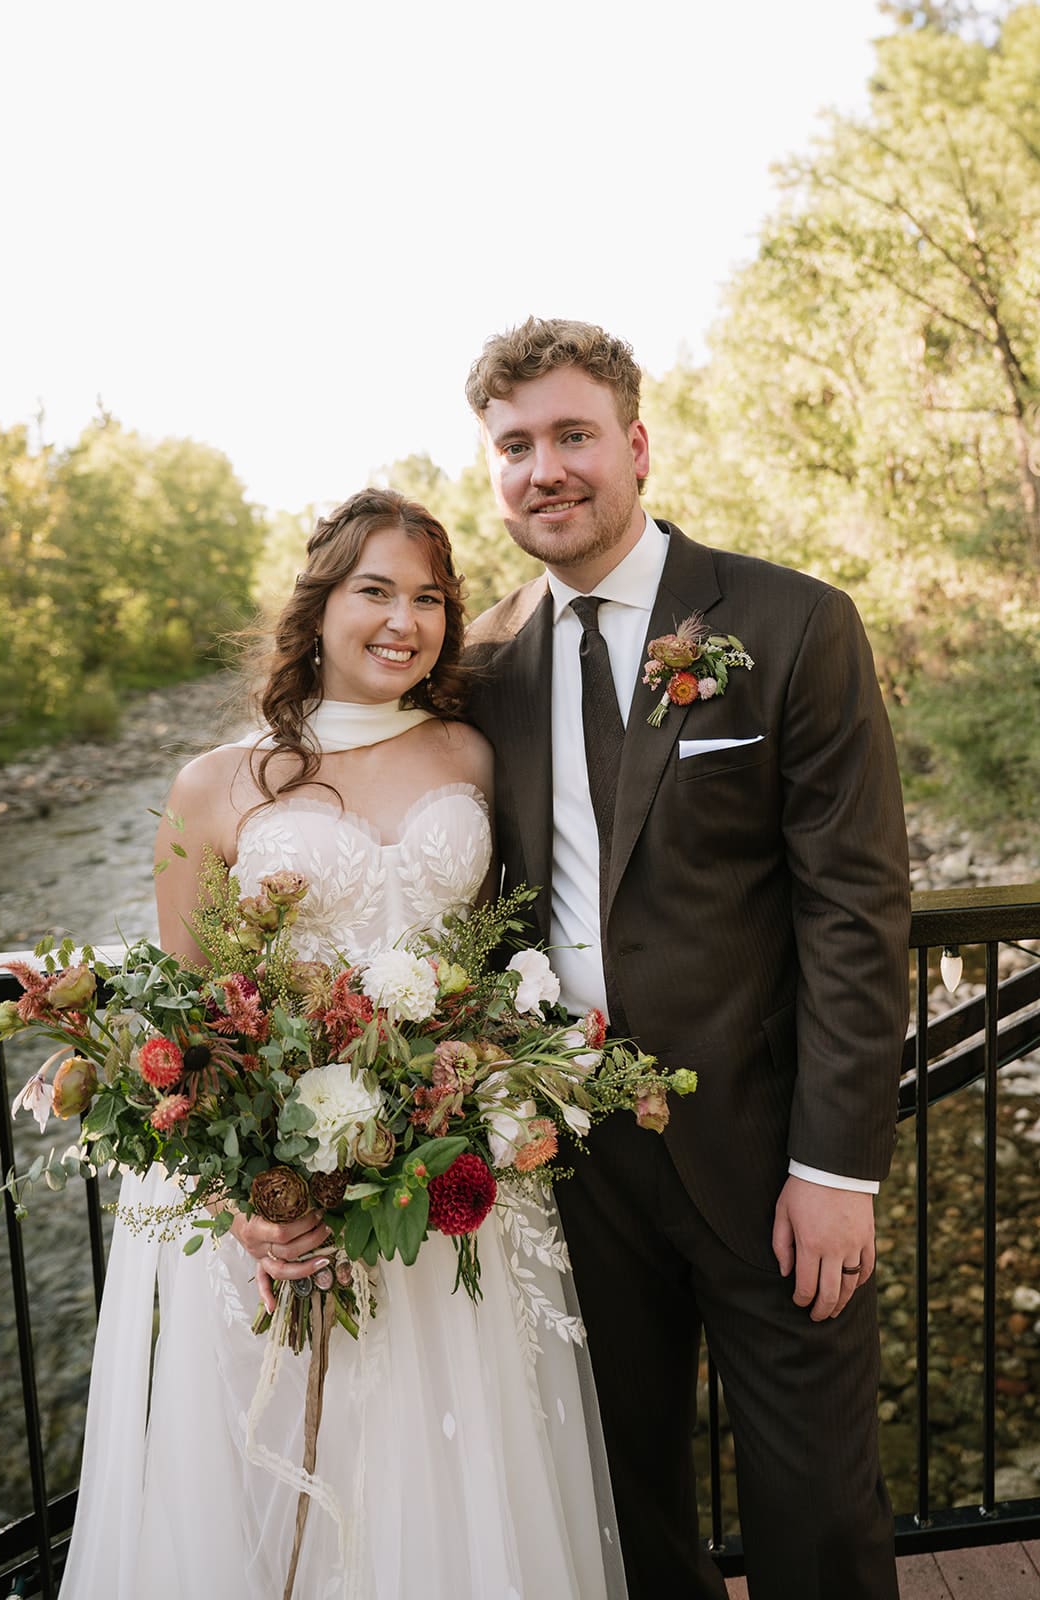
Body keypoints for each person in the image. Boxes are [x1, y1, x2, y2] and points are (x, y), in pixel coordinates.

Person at [59, 488, 626, 1600]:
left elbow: (505, 947)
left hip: (444, 1184)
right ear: (318, 604)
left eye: (428, 597)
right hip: (282, 1206)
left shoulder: (470, 752)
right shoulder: (214, 782)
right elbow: (179, 1022)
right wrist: (248, 1200)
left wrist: (493, 1085)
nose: (402, 620)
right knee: (286, 1485)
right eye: (375, 590)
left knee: (461, 1479)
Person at [464, 317, 912, 1600]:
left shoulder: (789, 623)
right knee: (615, 1499)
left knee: (817, 1506)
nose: (543, 469)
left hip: (770, 1155)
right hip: (571, 1167)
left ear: (636, 446)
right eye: (513, 447)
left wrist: (836, 1166)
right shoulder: (485, 663)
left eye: (569, 436)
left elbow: (853, 907)